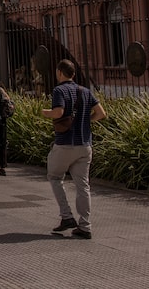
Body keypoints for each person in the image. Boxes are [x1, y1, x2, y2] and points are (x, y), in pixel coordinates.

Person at [42, 59, 107, 240]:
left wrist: (45, 112)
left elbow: (59, 113)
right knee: (83, 185)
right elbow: (101, 113)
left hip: (65, 143)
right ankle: (85, 226)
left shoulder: (59, 90)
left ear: (60, 73)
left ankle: (67, 216)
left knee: (54, 177)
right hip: (85, 144)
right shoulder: (85, 91)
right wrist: (86, 121)